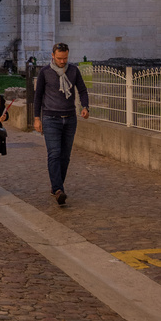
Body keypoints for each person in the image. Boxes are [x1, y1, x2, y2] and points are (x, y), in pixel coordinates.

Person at [34, 42, 90, 206]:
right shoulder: (45, 72)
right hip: (51, 118)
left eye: (65, 58)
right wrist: (37, 118)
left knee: (65, 156)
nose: (62, 61)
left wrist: (85, 106)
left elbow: (82, 90)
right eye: (59, 58)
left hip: (70, 118)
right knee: (54, 153)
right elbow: (37, 97)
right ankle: (58, 189)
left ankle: (56, 187)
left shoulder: (73, 70)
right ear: (53, 56)